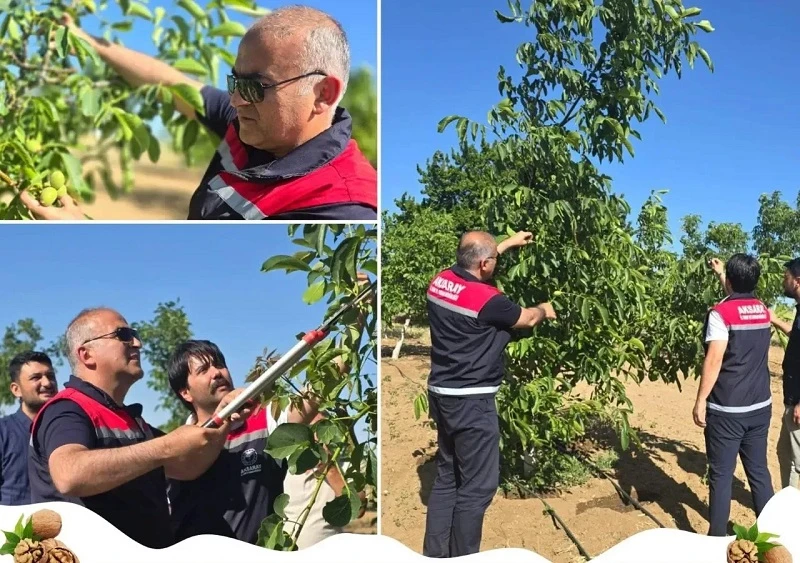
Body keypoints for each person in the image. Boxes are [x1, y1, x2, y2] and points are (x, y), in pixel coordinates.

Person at [21, 5, 377, 221]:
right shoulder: (248, 121)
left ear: (322, 94)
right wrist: (83, 39)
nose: (236, 100)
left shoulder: (342, 207)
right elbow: (169, 81)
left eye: (254, 87)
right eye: (234, 82)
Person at [28, 308, 249, 549]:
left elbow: (188, 466)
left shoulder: (132, 421)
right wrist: (166, 446)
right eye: (123, 335)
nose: (137, 343)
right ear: (86, 354)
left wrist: (224, 416)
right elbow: (70, 474)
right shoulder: (67, 409)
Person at [423, 230, 557, 558]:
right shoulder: (488, 300)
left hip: (442, 393)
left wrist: (506, 244)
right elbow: (525, 319)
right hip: (473, 401)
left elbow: (471, 263)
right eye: (494, 259)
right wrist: (545, 309)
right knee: (477, 489)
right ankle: (464, 556)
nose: (496, 263)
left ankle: (434, 554)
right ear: (484, 264)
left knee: (447, 476)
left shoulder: (439, 282)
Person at [166, 339, 358, 546]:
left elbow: (318, 390)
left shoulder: (265, 419)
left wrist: (356, 321)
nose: (217, 373)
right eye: (203, 370)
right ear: (185, 392)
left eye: (220, 364)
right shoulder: (179, 446)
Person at [695, 255, 774, 536]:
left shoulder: (720, 313)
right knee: (759, 472)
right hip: (760, 407)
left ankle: (717, 538)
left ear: (730, 281)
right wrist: (722, 275)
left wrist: (701, 400)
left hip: (728, 410)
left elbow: (714, 359)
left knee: (721, 475)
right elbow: (740, 302)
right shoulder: (763, 310)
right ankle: (773, 535)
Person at [0, 351, 58, 505]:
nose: (47, 383)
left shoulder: (68, 430)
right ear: (16, 389)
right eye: (36, 378)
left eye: (50, 376)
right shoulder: (3, 433)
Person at [766, 258, 800, 489]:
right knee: (785, 454)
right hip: (792, 398)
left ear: (797, 281)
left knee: (797, 462)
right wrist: (776, 320)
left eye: (785, 277)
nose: (782, 281)